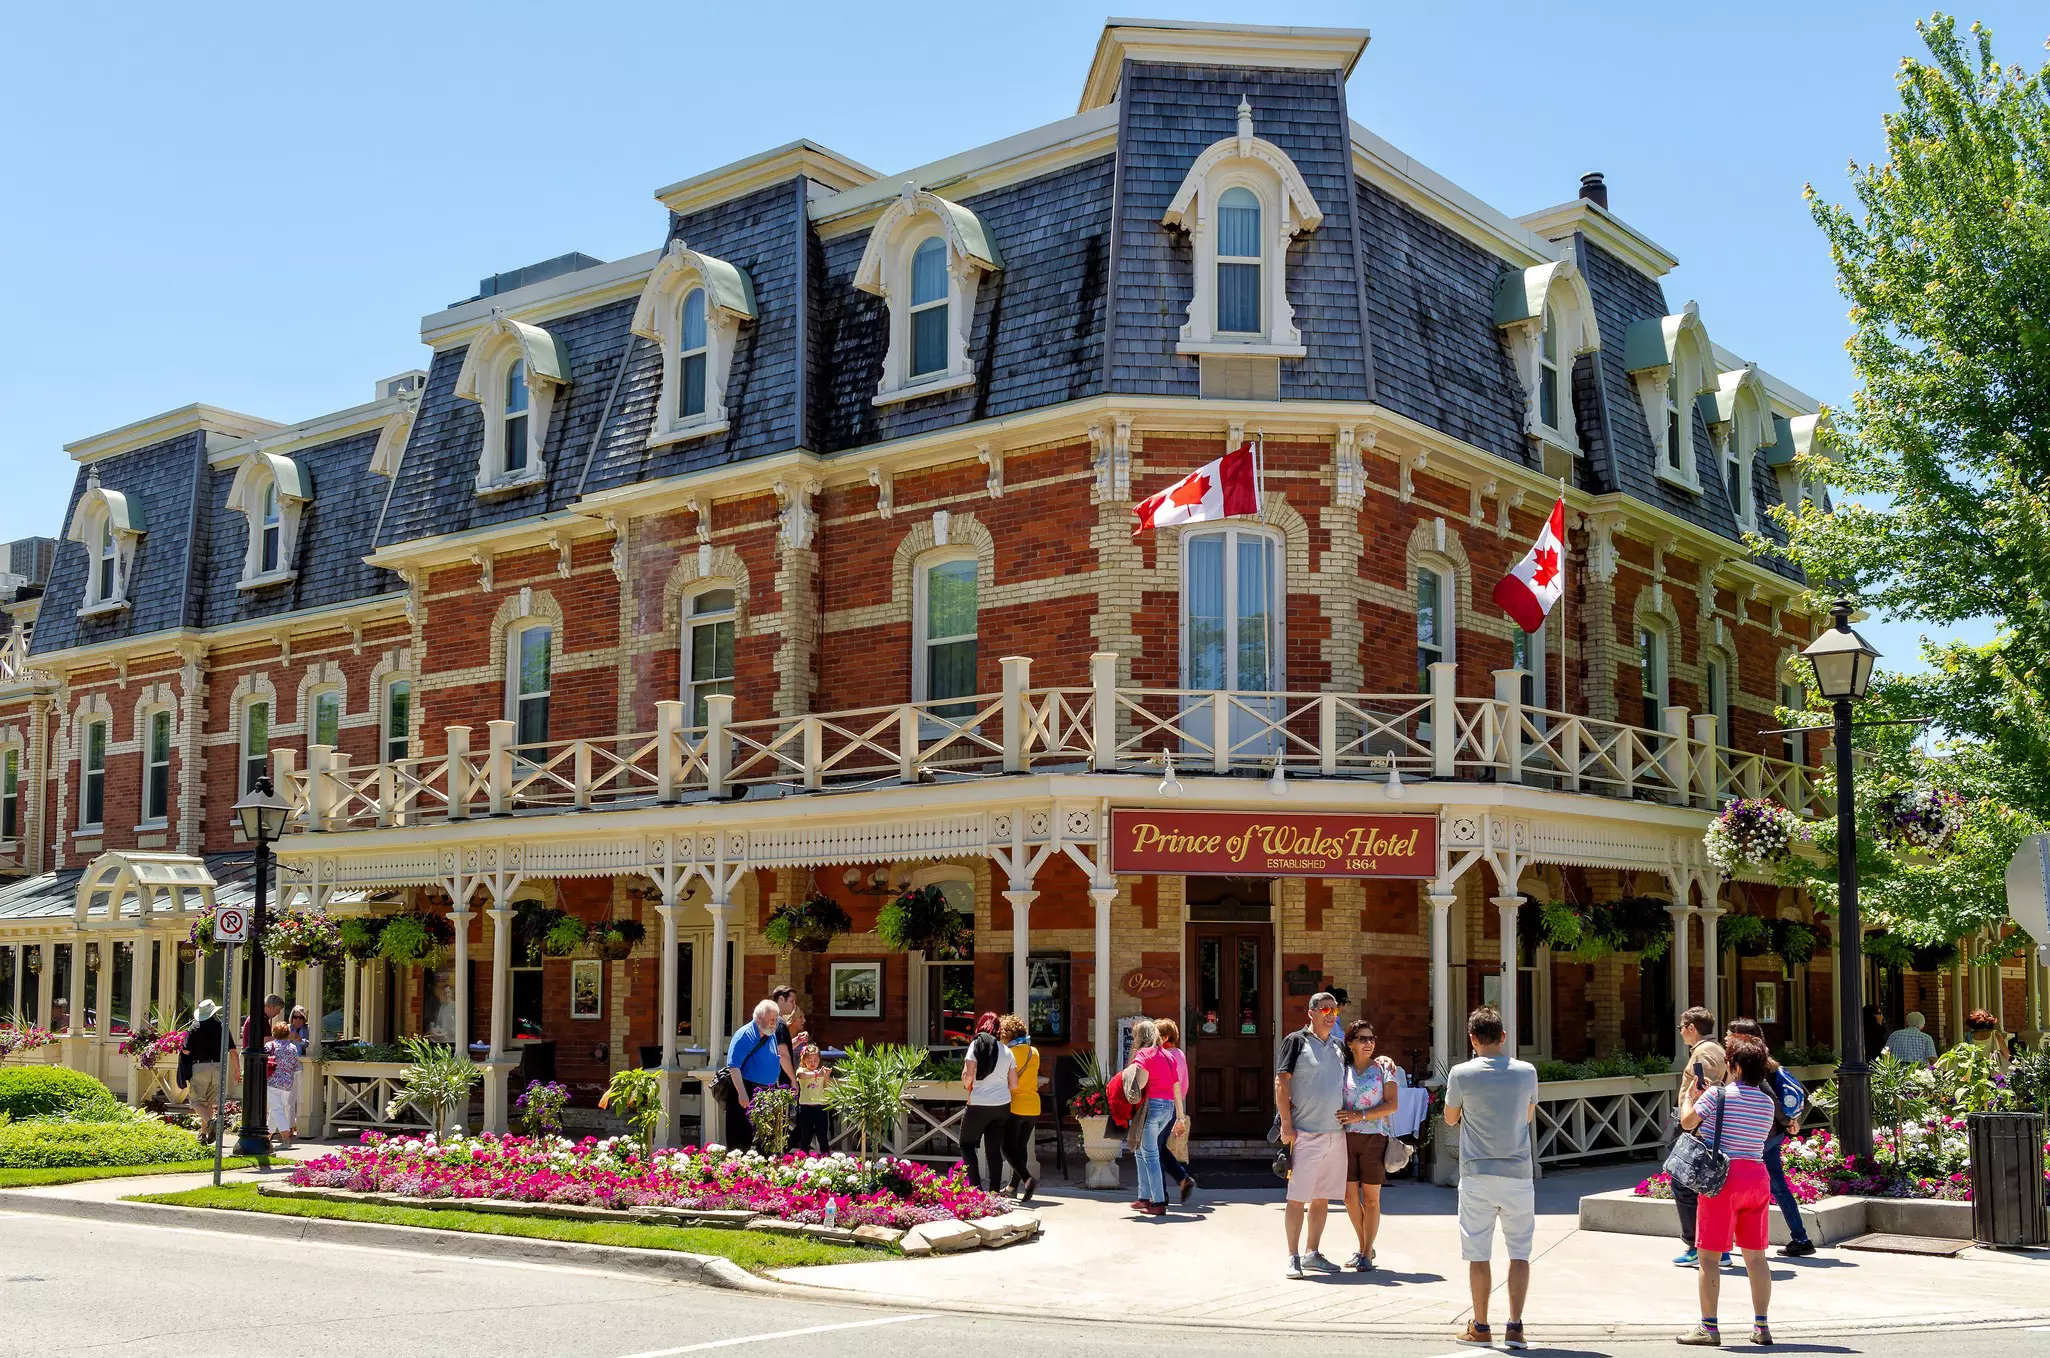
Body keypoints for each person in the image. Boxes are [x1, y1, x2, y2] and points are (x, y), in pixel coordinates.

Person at [1444, 1006, 1539, 1350]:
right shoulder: (1526, 1071)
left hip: (1477, 1173)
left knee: (1478, 1253)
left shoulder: (1460, 1073)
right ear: (1502, 1037)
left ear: (1472, 1039)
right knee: (1519, 1253)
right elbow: (1528, 1116)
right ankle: (1515, 1327)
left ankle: (1481, 1326)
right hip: (1517, 1173)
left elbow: (1451, 1119)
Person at [1676, 1032, 1779, 1347]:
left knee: (1708, 1257)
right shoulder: (1767, 1102)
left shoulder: (1716, 1095)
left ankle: (1709, 1327)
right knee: (1756, 1258)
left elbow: (1688, 1122)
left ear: (1733, 1065)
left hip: (1723, 1179)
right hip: (1757, 1177)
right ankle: (1761, 1327)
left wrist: (1689, 1097)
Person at [1727, 1018, 1816, 1259]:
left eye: (1731, 1034)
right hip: (1770, 1134)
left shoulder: (1754, 1063)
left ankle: (1727, 1240)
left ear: (1744, 1038)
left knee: (1736, 1183)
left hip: (1758, 1135)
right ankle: (1800, 1237)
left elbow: (1770, 1099)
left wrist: (1787, 1122)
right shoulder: (1769, 1061)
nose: (1726, 1037)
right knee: (1775, 1185)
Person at [1276, 991, 1348, 1278]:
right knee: (1297, 1197)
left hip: (1335, 1135)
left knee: (1322, 1198)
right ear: (1311, 1013)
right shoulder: (1296, 1041)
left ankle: (1312, 1253)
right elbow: (1281, 1082)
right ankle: (1292, 1256)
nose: (1330, 1015)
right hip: (1305, 1133)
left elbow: (1361, 1064)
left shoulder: (1340, 1045)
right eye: (1325, 1010)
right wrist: (1286, 1123)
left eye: (1334, 1011)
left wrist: (1383, 1059)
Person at [1669, 1006, 1729, 1269]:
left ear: (1692, 1028)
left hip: (1699, 1128)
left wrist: (1691, 1121)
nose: (1681, 1033)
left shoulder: (1703, 1054)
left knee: (1684, 1183)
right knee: (1708, 1189)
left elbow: (1703, 1091)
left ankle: (1696, 1245)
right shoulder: (1716, 1050)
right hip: (1709, 1127)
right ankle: (1719, 1248)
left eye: (1682, 1028)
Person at [1338, 1018, 1400, 1272]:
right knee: (1349, 1198)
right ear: (1350, 1042)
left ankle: (1365, 1252)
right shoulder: (1341, 1069)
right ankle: (1365, 1246)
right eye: (1362, 1039)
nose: (1368, 1043)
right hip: (1344, 1139)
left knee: (1372, 1200)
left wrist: (1359, 1116)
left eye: (1371, 1039)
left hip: (1375, 1138)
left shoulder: (1385, 1069)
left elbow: (1392, 1104)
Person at [1130, 1019, 1187, 1217]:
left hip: (1151, 1107)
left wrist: (1131, 1085)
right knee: (1141, 1150)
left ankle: (1158, 1201)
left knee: (1151, 1154)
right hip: (1168, 1108)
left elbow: (1142, 1082)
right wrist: (1180, 1117)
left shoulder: (1144, 1054)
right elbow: (1176, 1088)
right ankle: (1144, 1196)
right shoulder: (1168, 1055)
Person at [959, 1012, 1017, 1191]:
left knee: (966, 1143)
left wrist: (966, 1081)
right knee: (993, 1149)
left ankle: (976, 1188)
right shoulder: (1007, 1051)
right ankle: (994, 1191)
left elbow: (968, 1078)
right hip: (1001, 1105)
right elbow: (1014, 1084)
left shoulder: (976, 1045)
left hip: (978, 1104)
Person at [722, 999, 786, 1148]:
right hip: (747, 1089)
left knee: (767, 1140)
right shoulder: (744, 1035)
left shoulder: (770, 1033)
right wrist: (742, 1093)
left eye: (775, 1019)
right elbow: (733, 1066)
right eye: (771, 1019)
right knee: (741, 1139)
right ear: (759, 1018)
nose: (774, 1023)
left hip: (766, 1091)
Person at [1153, 1018, 1197, 1203]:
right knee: (1158, 1147)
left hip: (1163, 1105)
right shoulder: (1179, 1054)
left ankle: (1160, 1194)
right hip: (1173, 1106)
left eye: (1155, 1035)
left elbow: (1172, 1083)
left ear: (1164, 1037)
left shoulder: (1165, 1057)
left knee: (1153, 1149)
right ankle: (1182, 1179)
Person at [999, 1013, 1041, 1202]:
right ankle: (1012, 1187)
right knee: (1021, 1148)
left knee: (1007, 1147)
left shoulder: (1009, 1053)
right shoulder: (1034, 1052)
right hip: (1033, 1106)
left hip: (1015, 1105)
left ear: (1008, 1034)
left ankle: (1027, 1179)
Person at [177, 999, 234, 1136]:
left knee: (196, 1102)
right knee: (208, 1103)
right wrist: (237, 1070)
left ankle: (210, 1123)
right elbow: (232, 1049)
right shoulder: (222, 1027)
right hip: (218, 1067)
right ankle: (204, 1134)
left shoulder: (195, 1027)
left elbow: (186, 1049)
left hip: (200, 1066)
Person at [264, 1019, 301, 1148]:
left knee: (277, 1110)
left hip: (272, 1082)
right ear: (287, 1033)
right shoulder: (293, 1047)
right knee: (275, 1110)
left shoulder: (270, 1046)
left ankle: (286, 1140)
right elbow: (297, 1067)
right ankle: (266, 1138)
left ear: (274, 1033)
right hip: (288, 1084)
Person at [791, 1045, 833, 1154]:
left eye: (816, 1060)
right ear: (804, 1061)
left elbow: (826, 1089)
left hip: (820, 1107)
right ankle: (803, 1157)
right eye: (809, 1061)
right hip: (806, 1107)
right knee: (805, 1136)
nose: (813, 1063)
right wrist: (817, 1074)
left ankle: (825, 1158)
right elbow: (800, 1075)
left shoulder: (820, 1072)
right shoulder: (803, 1070)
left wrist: (826, 1076)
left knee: (822, 1135)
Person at [1962, 1009, 2012, 1076]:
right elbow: (2007, 1055)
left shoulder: (1969, 1036)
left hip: (1975, 1070)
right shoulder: (1995, 1034)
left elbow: (1965, 1055)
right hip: (1993, 1069)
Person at [769, 984, 802, 1082]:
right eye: (792, 1001)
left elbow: (778, 1048)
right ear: (781, 999)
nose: (794, 1005)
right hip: (780, 1081)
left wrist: (797, 1040)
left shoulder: (768, 1021)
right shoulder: (779, 1024)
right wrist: (793, 1079)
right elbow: (782, 1054)